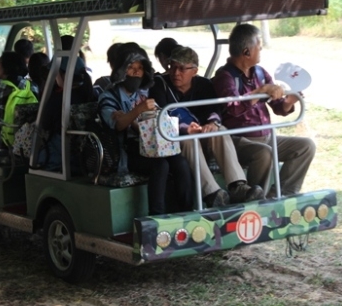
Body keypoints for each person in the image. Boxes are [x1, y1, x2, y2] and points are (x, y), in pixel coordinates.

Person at [149, 46, 264, 206]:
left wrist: (212, 123)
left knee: (220, 131)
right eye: (173, 67)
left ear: (194, 71)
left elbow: (214, 110)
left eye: (182, 69)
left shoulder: (203, 85)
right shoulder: (159, 85)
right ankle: (212, 193)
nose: (176, 73)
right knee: (190, 139)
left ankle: (238, 186)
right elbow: (161, 116)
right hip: (175, 140)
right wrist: (185, 129)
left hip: (202, 134)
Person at [212, 23, 315, 197]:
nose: (261, 51)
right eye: (259, 48)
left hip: (266, 137)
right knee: (264, 153)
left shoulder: (260, 73)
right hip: (239, 140)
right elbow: (233, 109)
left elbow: (279, 107)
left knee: (306, 146)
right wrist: (259, 91)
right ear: (247, 52)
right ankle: (254, 199)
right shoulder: (225, 77)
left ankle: (279, 195)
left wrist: (289, 101)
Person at [98, 47, 193, 215]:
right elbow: (118, 125)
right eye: (130, 67)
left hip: (151, 146)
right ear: (121, 70)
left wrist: (134, 119)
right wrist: (137, 112)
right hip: (125, 151)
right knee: (160, 165)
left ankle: (188, 211)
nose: (135, 72)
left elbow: (155, 121)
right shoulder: (109, 96)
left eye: (140, 68)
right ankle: (157, 217)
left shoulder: (142, 95)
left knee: (180, 161)